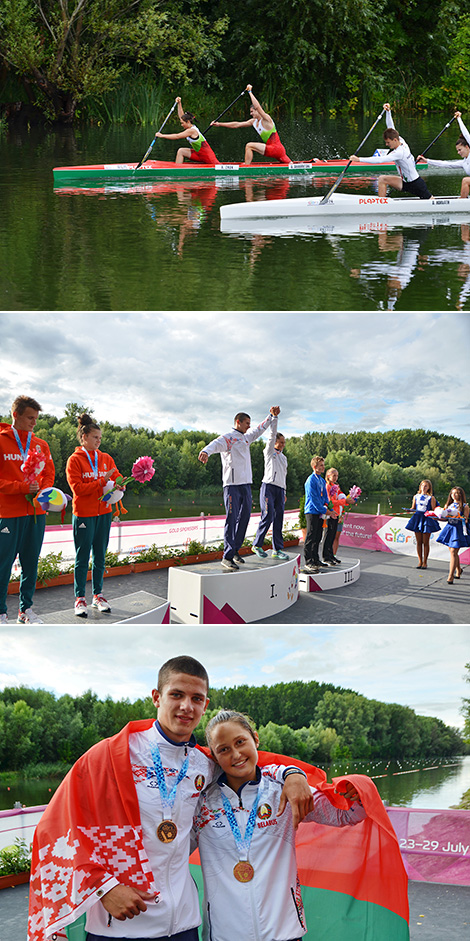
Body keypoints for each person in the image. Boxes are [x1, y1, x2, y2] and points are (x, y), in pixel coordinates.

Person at [28, 656, 313, 941]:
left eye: (196, 698)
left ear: (205, 705)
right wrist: (102, 888)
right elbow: (54, 829)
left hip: (183, 926)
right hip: (121, 923)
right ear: (156, 697)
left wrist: (292, 773)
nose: (186, 706)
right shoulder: (112, 756)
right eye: (176, 694)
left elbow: (251, 767)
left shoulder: (206, 764)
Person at [194, 710, 381, 941]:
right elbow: (171, 849)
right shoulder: (201, 804)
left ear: (256, 739)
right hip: (224, 934)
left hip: (284, 933)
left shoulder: (283, 791)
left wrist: (356, 789)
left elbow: (347, 815)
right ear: (213, 756)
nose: (236, 754)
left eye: (240, 742)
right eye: (224, 749)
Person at [198, 407, 280, 571]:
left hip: (246, 484)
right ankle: (227, 557)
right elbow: (214, 444)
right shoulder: (227, 439)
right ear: (238, 422)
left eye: (250, 424)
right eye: (247, 423)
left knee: (244, 518)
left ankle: (235, 550)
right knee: (231, 518)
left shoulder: (246, 438)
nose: (249, 426)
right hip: (231, 486)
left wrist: (271, 416)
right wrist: (205, 451)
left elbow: (260, 429)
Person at [0, 395, 55, 625]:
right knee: (3, 564)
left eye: (36, 418)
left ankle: (26, 610)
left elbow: (49, 475)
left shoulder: (41, 444)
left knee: (31, 563)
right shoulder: (1, 441)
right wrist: (21, 487)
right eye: (30, 418)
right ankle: (1, 612)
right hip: (8, 514)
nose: (34, 422)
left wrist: (41, 490)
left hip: (35, 514)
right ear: (16, 415)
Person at [66, 413, 123, 617]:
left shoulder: (106, 458)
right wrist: (101, 481)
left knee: (100, 556)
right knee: (82, 557)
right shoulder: (74, 460)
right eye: (95, 437)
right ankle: (79, 598)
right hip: (84, 514)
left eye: (100, 438)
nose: (99, 441)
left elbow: (117, 477)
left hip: (104, 513)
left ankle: (97, 595)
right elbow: (78, 489)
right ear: (84, 438)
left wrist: (121, 484)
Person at [350, 102, 432, 199]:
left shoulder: (399, 153)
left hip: (416, 183)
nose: (386, 144)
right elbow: (391, 128)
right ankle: (381, 205)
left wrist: (359, 159)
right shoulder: (401, 140)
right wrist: (388, 112)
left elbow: (380, 160)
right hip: (404, 182)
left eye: (388, 142)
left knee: (432, 201)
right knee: (382, 179)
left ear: (395, 140)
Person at [211, 85, 291, 165]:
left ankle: (246, 166)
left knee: (249, 146)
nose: (250, 113)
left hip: (276, 149)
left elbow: (257, 106)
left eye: (252, 111)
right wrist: (219, 124)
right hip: (276, 150)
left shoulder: (266, 119)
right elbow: (237, 124)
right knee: (291, 165)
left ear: (257, 111)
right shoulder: (253, 122)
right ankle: (247, 164)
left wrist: (250, 92)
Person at [252, 415, 289, 560]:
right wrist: (275, 418)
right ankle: (257, 544)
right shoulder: (269, 452)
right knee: (267, 516)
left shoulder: (284, 458)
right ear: (274, 442)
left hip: (280, 489)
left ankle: (277, 549)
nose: (281, 445)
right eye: (279, 442)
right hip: (268, 487)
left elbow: (284, 475)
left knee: (279, 518)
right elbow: (272, 435)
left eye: (283, 443)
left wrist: (284, 491)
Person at [417, 111, 470, 198]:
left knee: (465, 180)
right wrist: (427, 161)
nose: (458, 152)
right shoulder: (463, 163)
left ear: (467, 147)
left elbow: (466, 134)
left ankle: (461, 202)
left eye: (460, 150)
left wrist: (459, 119)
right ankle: (463, 201)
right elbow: (445, 164)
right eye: (457, 150)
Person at [155, 97, 218, 166]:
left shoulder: (192, 131)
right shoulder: (189, 126)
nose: (181, 125)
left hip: (208, 157)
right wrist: (179, 103)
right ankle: (177, 170)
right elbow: (181, 116)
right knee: (181, 151)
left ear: (188, 122)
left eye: (182, 123)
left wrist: (162, 135)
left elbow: (177, 136)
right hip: (198, 154)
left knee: (217, 165)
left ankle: (177, 169)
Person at [303, 457, 337, 574]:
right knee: (311, 536)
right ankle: (308, 561)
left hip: (319, 512)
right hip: (312, 511)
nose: (323, 467)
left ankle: (316, 559)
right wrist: (326, 511)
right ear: (314, 467)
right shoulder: (311, 480)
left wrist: (331, 509)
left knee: (318, 536)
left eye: (323, 465)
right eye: (321, 465)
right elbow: (314, 500)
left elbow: (324, 498)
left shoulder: (322, 480)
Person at [435, 486, 470, 583]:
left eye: (456, 493)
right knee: (452, 551)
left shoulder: (464, 506)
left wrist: (461, 518)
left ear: (461, 494)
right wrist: (436, 517)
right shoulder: (448, 505)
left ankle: (451, 575)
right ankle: (458, 569)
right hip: (450, 528)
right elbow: (444, 517)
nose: (454, 495)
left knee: (454, 551)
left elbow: (466, 519)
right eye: (452, 493)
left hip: (458, 529)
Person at [405, 479, 440, 569]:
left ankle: (425, 562)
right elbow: (413, 508)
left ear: (429, 488)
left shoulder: (431, 498)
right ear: (420, 486)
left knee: (426, 542)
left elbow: (433, 510)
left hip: (427, 519)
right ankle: (420, 561)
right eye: (422, 485)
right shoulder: (415, 496)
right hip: (417, 518)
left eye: (426, 486)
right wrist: (409, 510)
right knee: (419, 542)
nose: (424, 488)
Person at [323, 467, 355, 565]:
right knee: (328, 535)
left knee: (333, 535)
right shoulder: (327, 486)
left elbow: (340, 498)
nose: (336, 477)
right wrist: (344, 501)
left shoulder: (336, 486)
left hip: (336, 514)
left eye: (337, 475)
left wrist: (348, 500)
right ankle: (326, 557)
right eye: (334, 475)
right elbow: (330, 501)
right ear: (328, 476)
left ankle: (331, 555)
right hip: (330, 513)